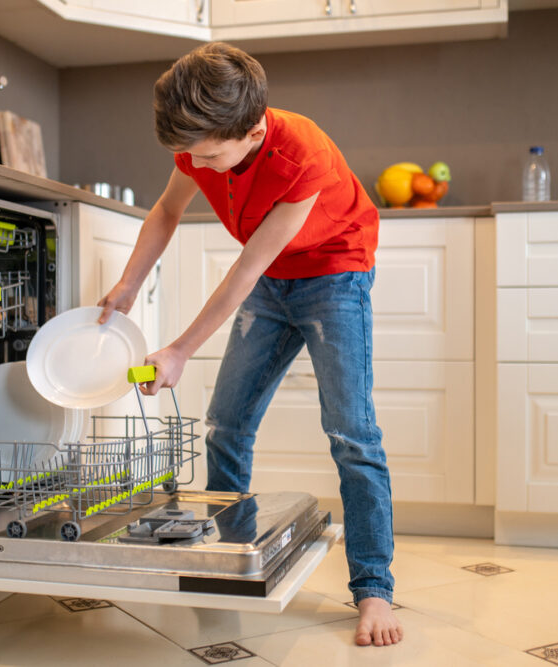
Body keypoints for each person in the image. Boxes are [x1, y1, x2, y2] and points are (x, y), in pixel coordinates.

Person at [97, 42, 402, 647]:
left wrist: (180, 349)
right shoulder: (199, 142)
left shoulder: (302, 155)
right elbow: (165, 210)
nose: (198, 166)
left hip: (332, 275)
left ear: (255, 129)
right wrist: (128, 286)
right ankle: (232, 559)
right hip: (270, 280)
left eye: (209, 156)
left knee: (352, 434)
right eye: (188, 154)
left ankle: (373, 590)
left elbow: (247, 271)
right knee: (226, 425)